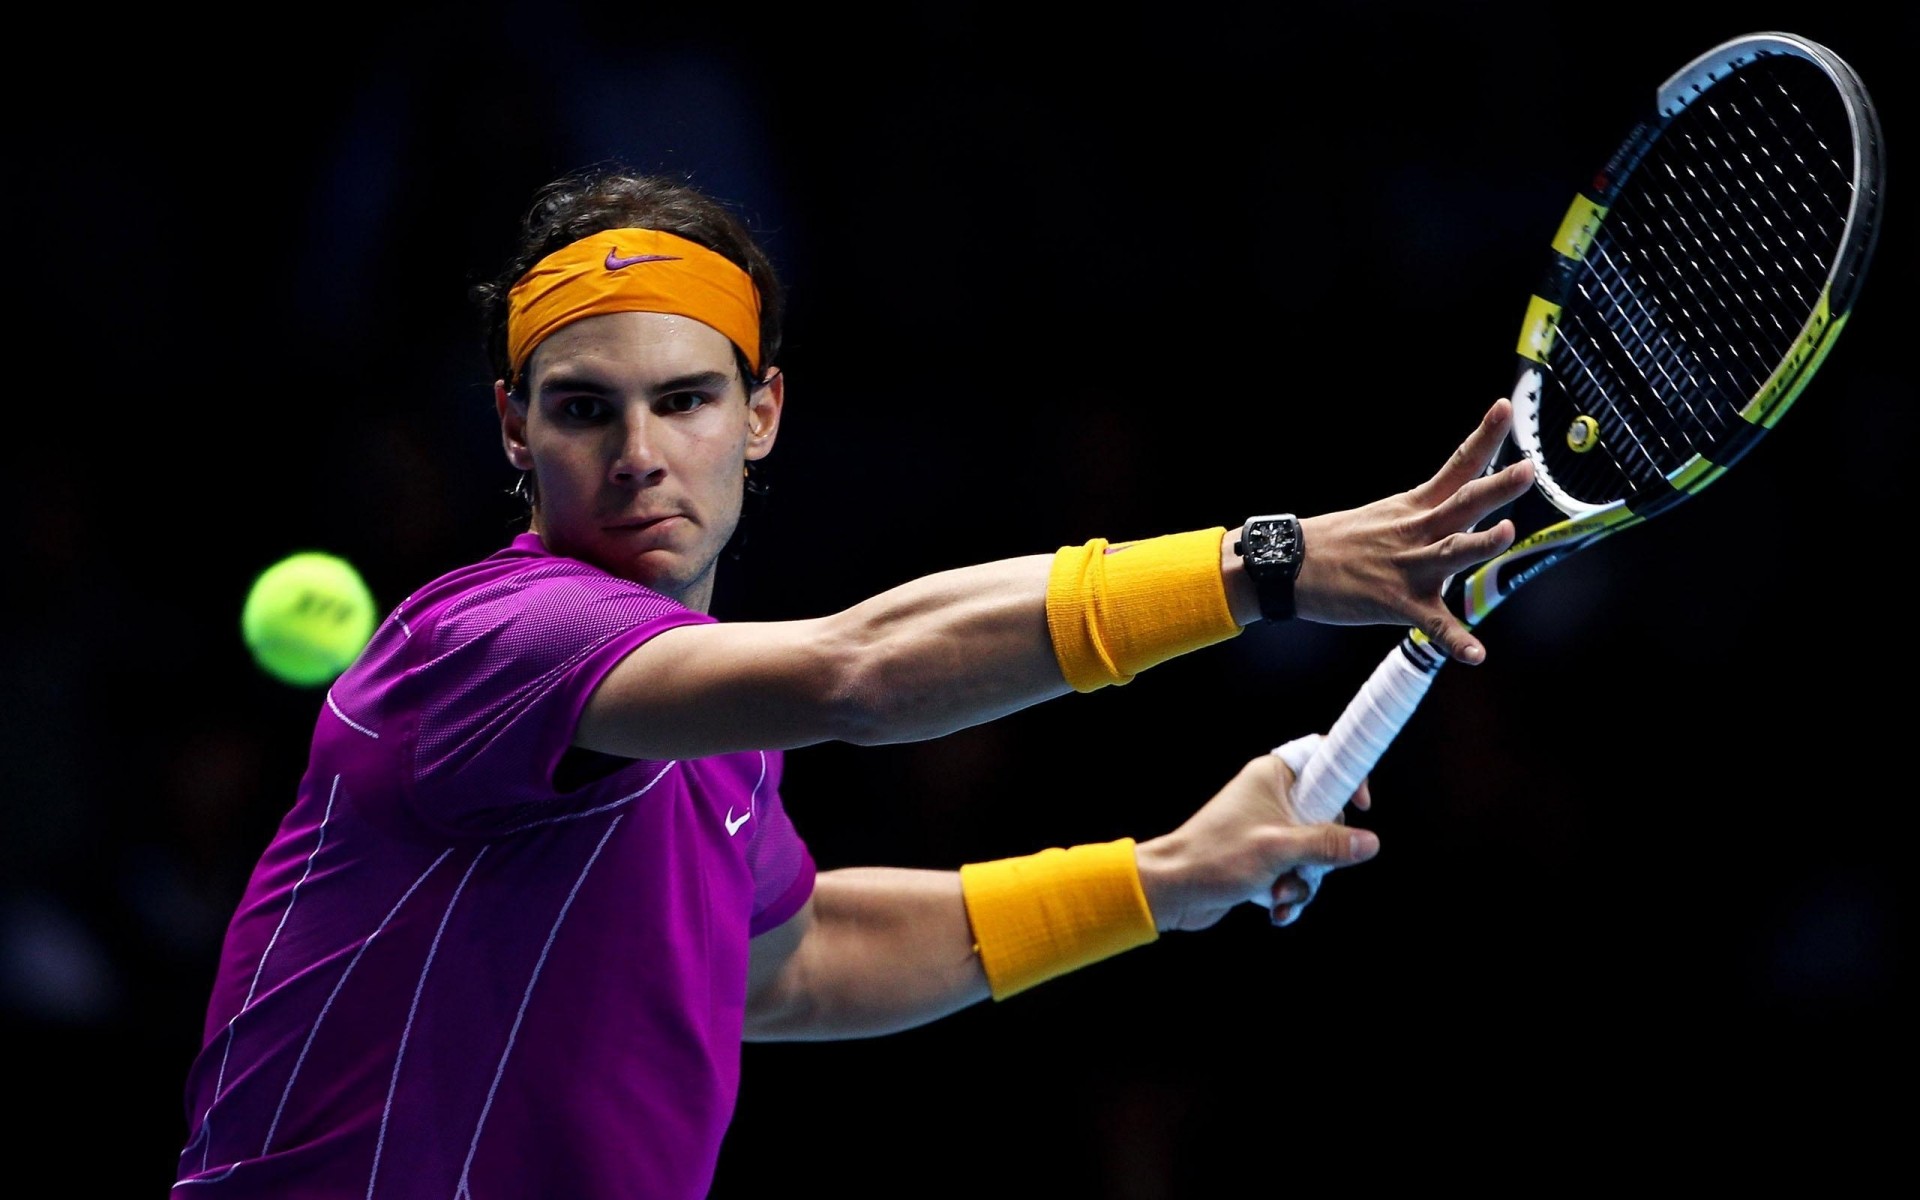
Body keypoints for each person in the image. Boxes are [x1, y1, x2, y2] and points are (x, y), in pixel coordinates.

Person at [173, 165, 1534, 1198]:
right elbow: (865, 672)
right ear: (512, 431)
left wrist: (1166, 880)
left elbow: (791, 962)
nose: (641, 451)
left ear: (761, 413)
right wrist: (1269, 567)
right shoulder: (493, 640)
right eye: (584, 407)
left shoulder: (714, 726)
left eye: (687, 400)